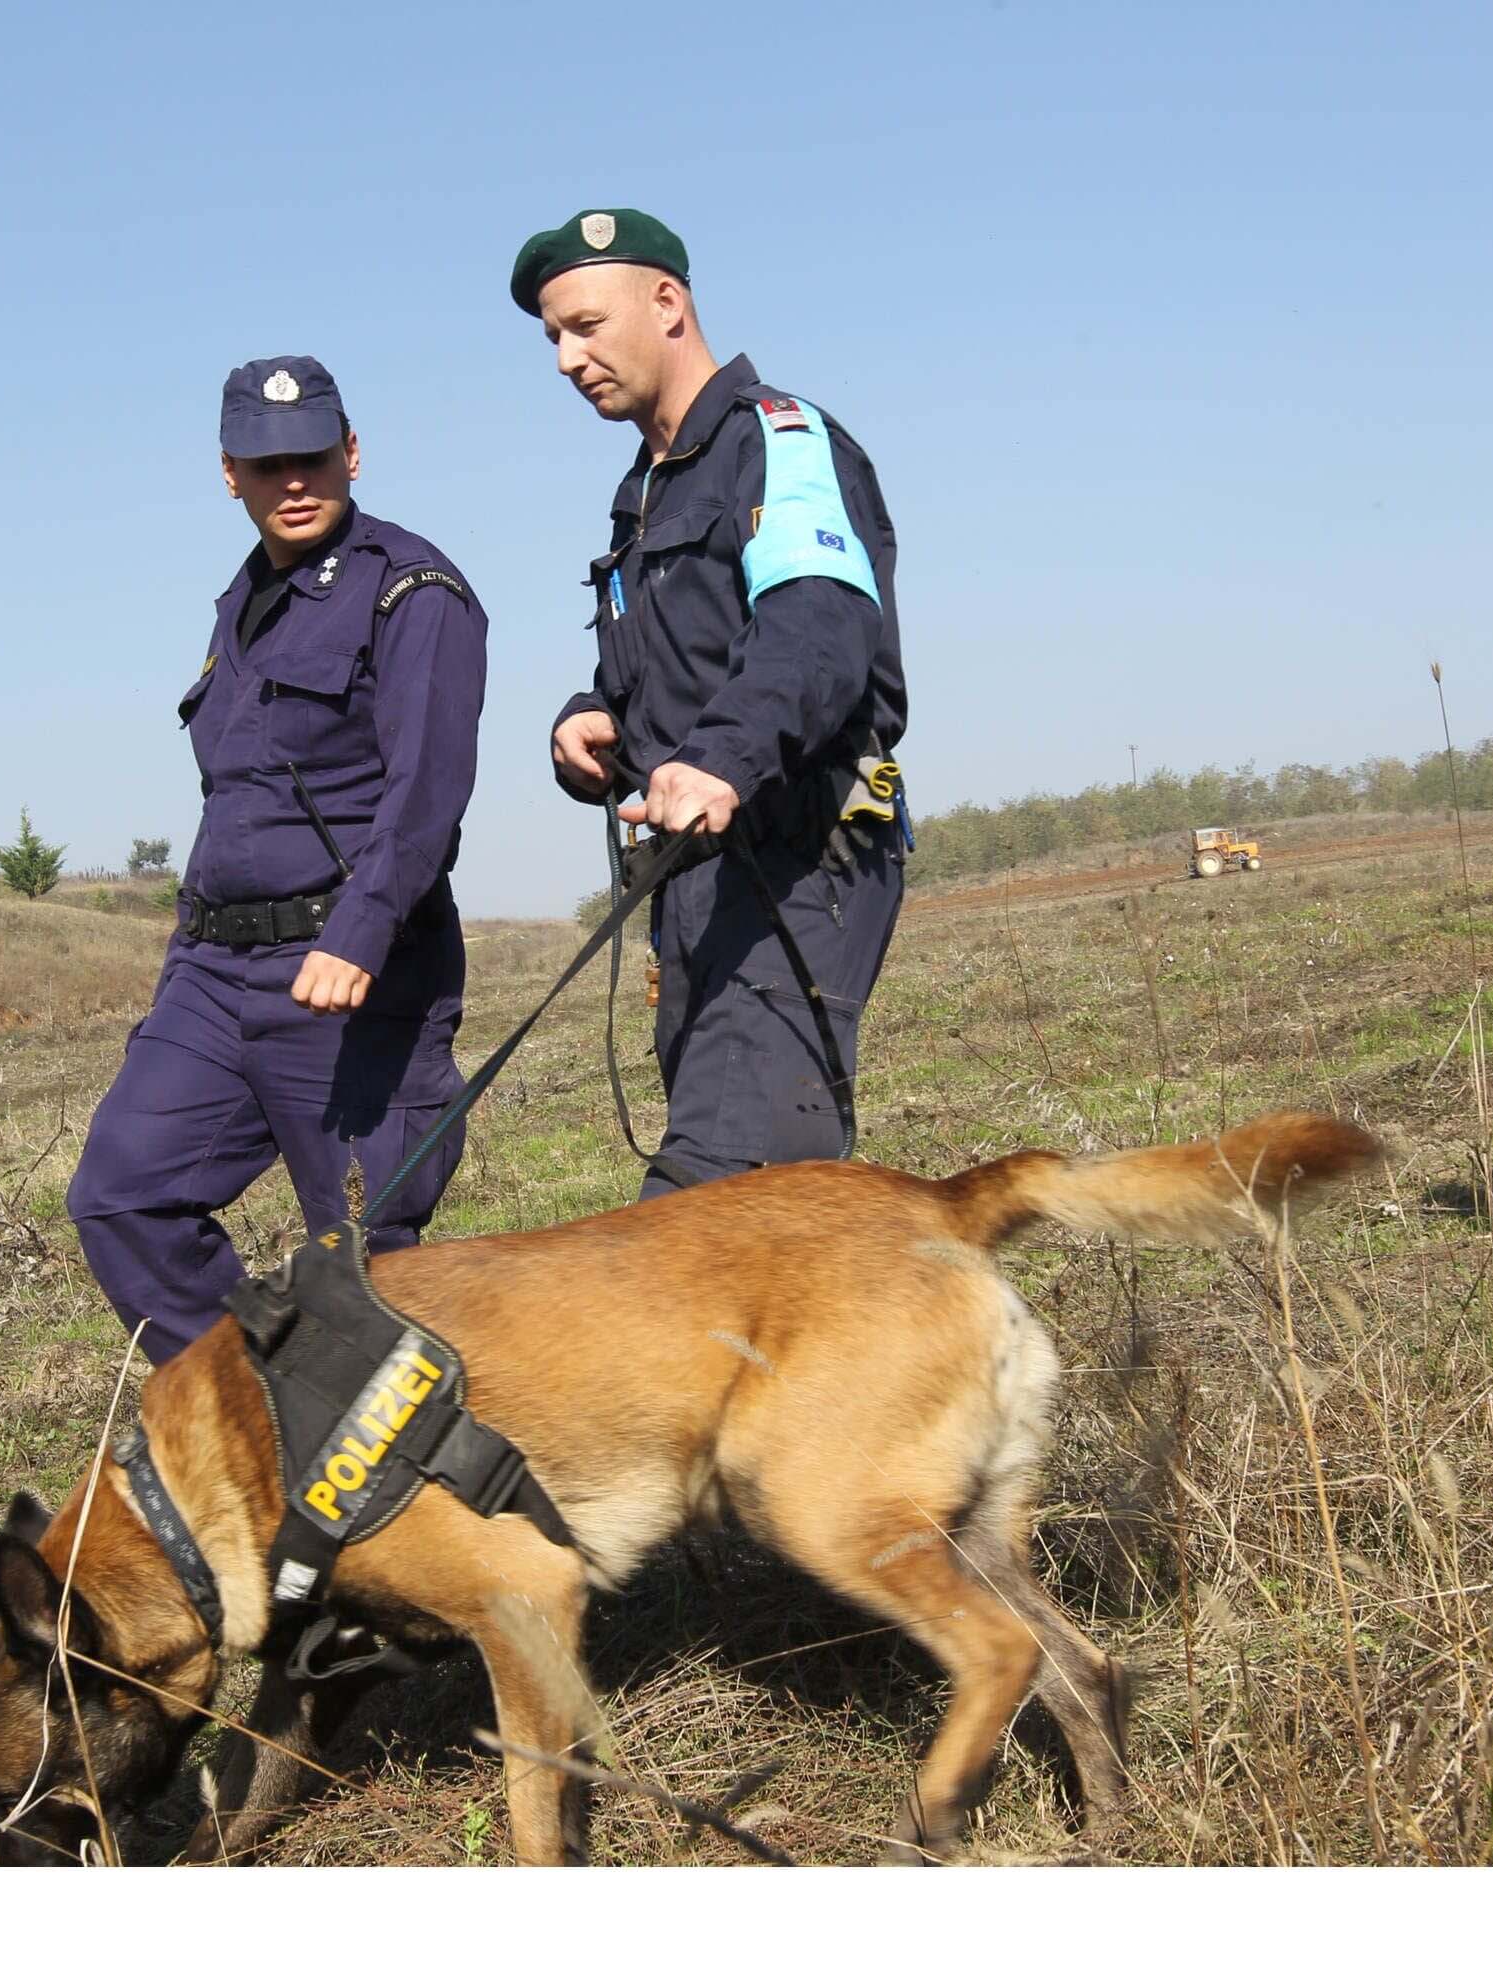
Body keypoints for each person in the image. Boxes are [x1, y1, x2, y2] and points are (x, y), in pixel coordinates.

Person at [67, 356, 486, 1364]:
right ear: (230, 474)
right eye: (265, 464)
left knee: (366, 1263)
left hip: (345, 977)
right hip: (214, 975)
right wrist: (183, 961)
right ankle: (266, 1400)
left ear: (351, 452)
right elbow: (237, 805)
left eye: (310, 458)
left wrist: (360, 931)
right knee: (122, 1194)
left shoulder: (410, 590)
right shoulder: (242, 604)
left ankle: (417, 1482)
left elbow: (426, 790)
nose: (291, 481)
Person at [512, 207, 910, 1197]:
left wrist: (723, 759)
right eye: (553, 336)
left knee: (719, 1208)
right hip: (693, 884)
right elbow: (664, 675)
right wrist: (587, 717)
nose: (566, 358)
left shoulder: (777, 442)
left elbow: (817, 628)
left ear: (668, 303)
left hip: (794, 861)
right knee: (760, 1219)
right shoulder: (642, 492)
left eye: (585, 326)